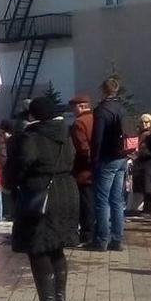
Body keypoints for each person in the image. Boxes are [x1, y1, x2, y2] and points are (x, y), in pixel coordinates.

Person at [4, 95, 79, 301]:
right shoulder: (65, 134)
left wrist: (9, 182)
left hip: (41, 195)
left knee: (37, 248)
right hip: (66, 191)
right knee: (56, 247)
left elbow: (22, 164)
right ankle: (60, 300)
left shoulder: (33, 137)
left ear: (34, 115)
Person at [89, 77, 130, 251]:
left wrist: (94, 160)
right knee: (117, 200)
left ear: (103, 90)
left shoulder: (101, 110)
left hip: (107, 158)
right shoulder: (122, 108)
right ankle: (117, 239)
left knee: (102, 200)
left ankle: (101, 239)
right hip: (122, 157)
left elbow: (97, 139)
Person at [69, 95, 94, 244]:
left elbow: (82, 148)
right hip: (100, 168)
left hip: (84, 170)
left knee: (85, 203)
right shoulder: (96, 118)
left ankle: (86, 234)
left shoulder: (79, 123)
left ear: (81, 106)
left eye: (74, 107)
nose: (73, 111)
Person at [128, 114, 151, 217]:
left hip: (148, 162)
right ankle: (144, 209)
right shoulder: (140, 133)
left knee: (149, 187)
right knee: (143, 186)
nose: (144, 124)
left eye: (146, 122)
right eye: (142, 122)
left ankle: (149, 210)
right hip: (140, 162)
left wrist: (142, 153)